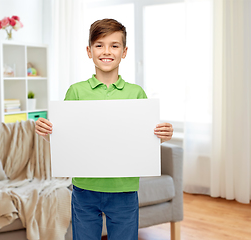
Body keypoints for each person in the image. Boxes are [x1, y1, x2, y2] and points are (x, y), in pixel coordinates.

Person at [35, 18, 173, 240]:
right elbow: (64, 139)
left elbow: (145, 139)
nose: (106, 51)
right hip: (84, 189)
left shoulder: (136, 93)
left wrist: (162, 135)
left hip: (124, 190)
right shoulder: (76, 92)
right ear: (89, 51)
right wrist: (48, 133)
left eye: (114, 45)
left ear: (124, 51)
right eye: (99, 45)